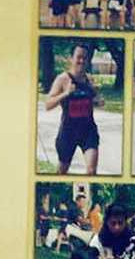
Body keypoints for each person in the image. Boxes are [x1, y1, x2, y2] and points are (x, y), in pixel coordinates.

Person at [44, 43, 103, 176]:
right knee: (62, 171)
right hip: (68, 131)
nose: (82, 61)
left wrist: (97, 98)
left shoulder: (89, 80)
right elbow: (48, 105)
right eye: (79, 57)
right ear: (71, 58)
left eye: (85, 58)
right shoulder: (63, 79)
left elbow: (98, 101)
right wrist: (66, 93)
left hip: (88, 131)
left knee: (91, 171)